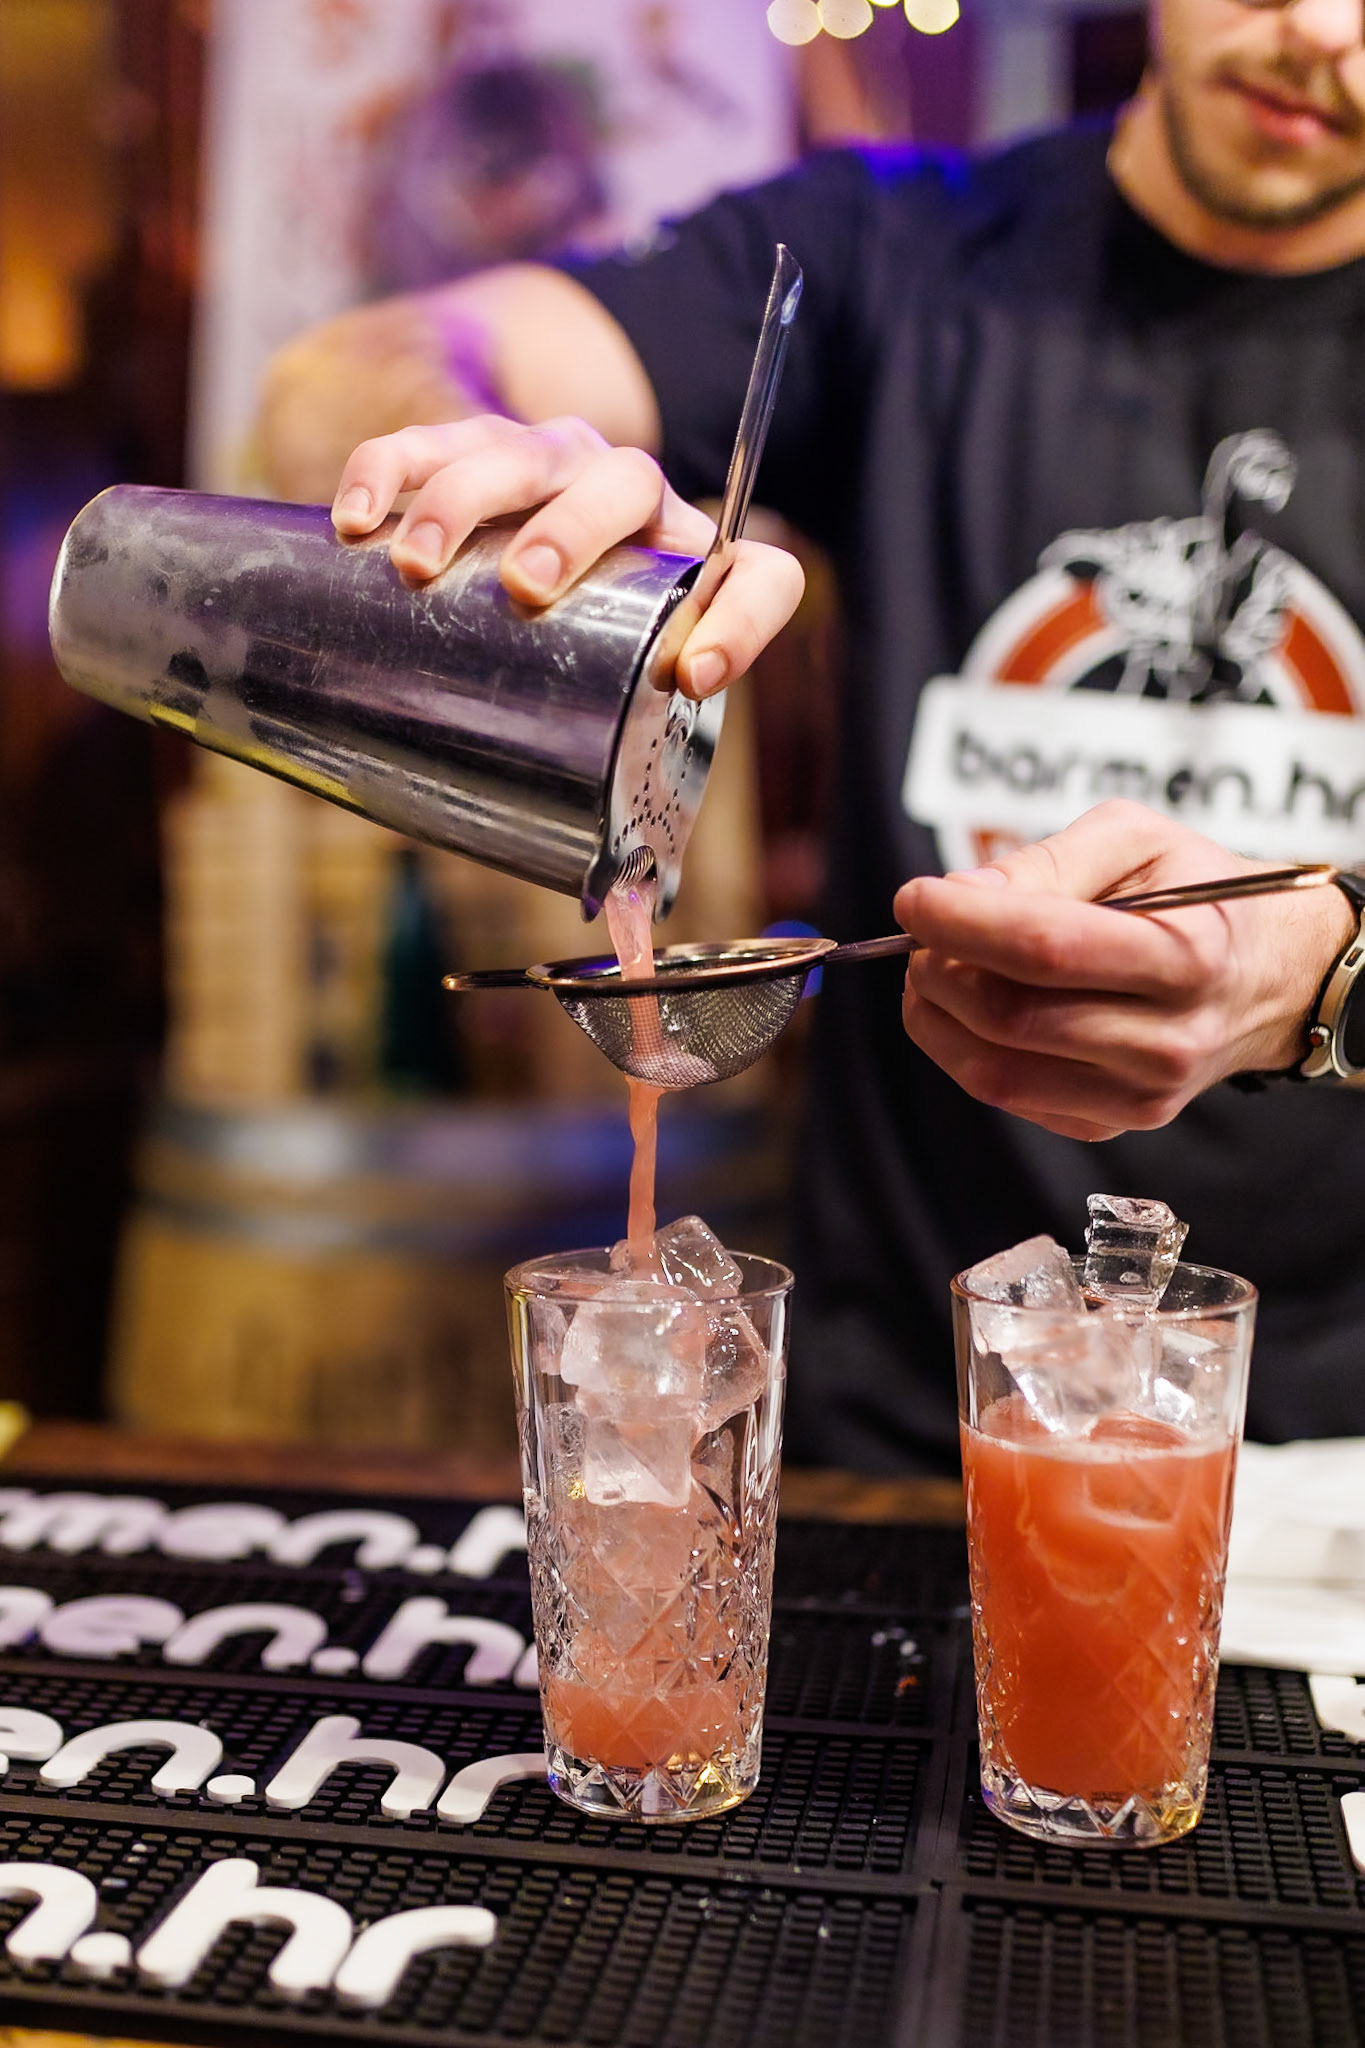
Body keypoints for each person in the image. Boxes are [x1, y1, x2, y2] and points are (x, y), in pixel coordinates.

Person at [259, 0, 1365, 1472]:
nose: (1323, 34)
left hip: (1344, 1452)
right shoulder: (900, 251)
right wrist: (475, 462)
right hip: (903, 1431)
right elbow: (347, 371)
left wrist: (1333, 982)